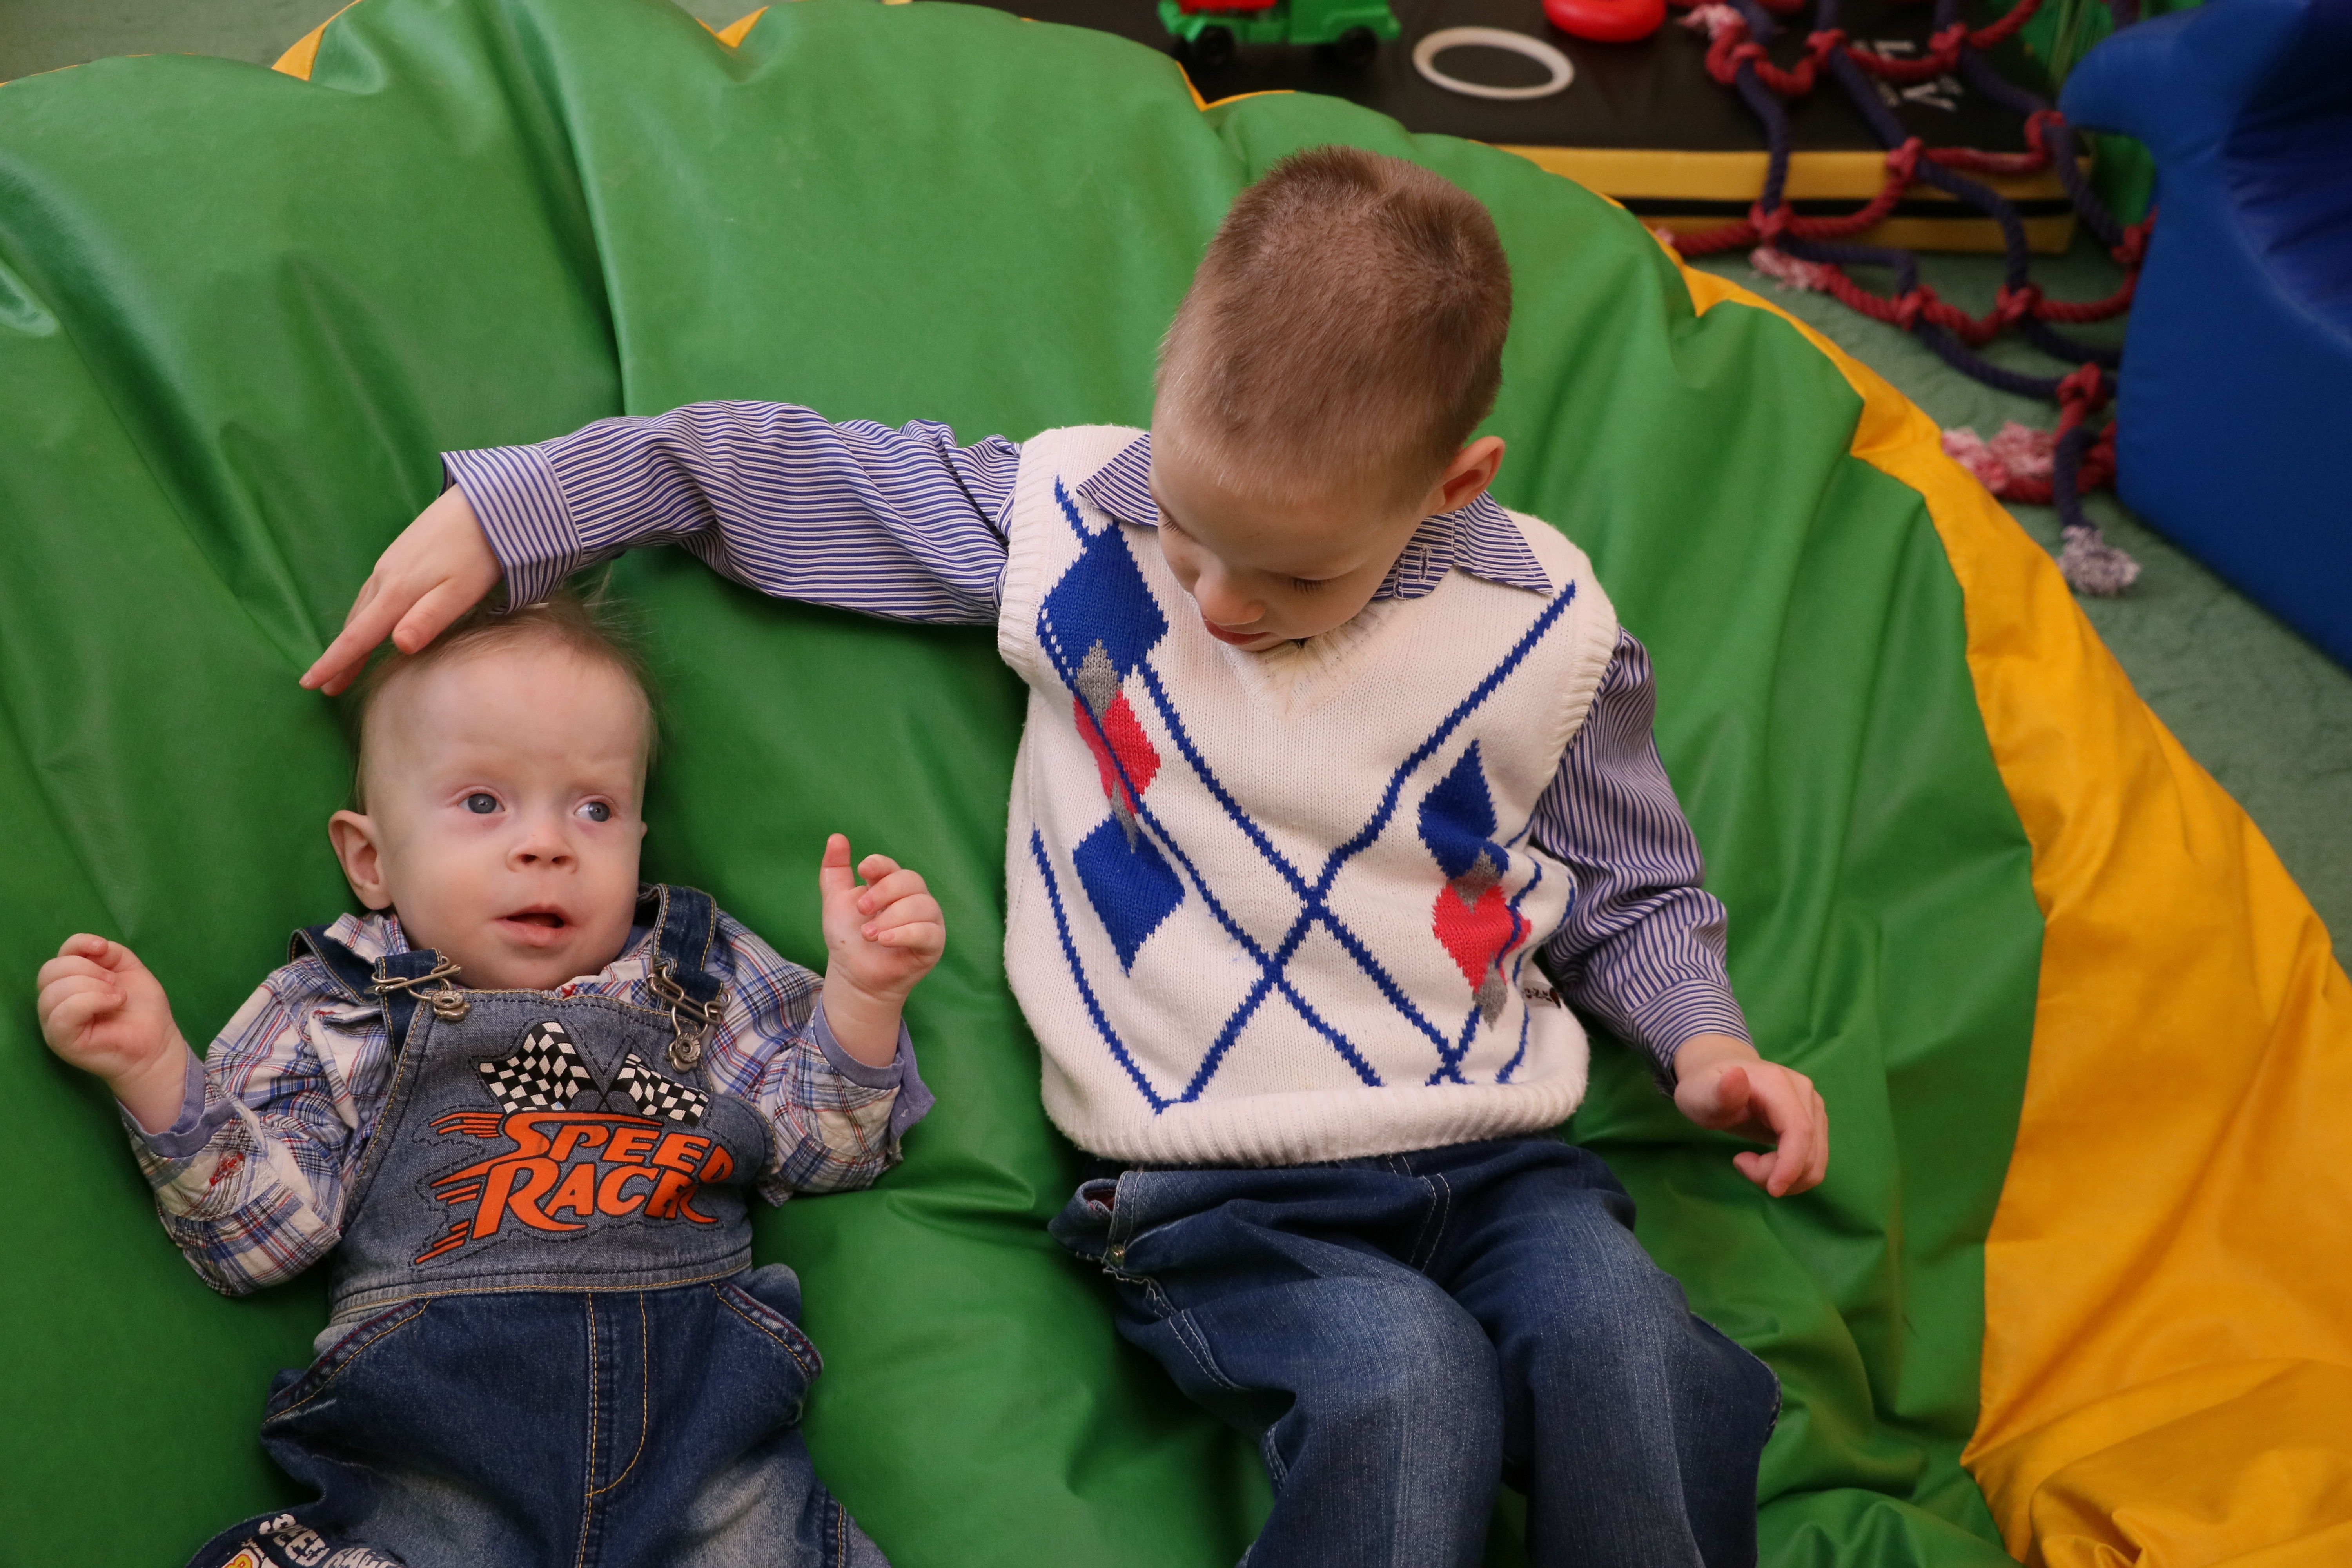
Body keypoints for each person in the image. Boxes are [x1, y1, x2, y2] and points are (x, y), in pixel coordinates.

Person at [299, 145, 1826, 1567]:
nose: (1219, 604)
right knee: (1409, 1382)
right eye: (1193, 531)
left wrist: (1704, 1040)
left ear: (1452, 485)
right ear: (1166, 389)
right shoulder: (1083, 526)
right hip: (1218, 1187)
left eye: (1293, 574)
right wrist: (527, 508)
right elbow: (781, 477)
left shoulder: (1546, 628)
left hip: (1505, 1157)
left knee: (1634, 1344)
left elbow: (1630, 886)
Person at [36, 590, 944, 1568]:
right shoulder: (334, 1007)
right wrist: (153, 1067)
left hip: (704, 1453)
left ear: (639, 838)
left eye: (594, 808)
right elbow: (263, 1240)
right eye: (483, 802)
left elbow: (824, 1148)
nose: (547, 844)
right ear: (371, 859)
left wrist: (864, 994)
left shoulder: (698, 975)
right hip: (437, 1466)